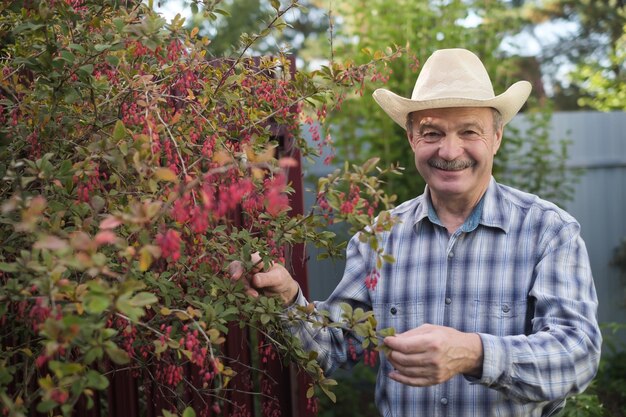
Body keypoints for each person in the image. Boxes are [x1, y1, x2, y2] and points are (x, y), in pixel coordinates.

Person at [230, 48, 602, 416]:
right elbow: (333, 347)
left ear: (496, 137)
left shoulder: (549, 232)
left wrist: (476, 354)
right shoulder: (380, 238)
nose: (450, 149)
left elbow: (578, 355)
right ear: (412, 139)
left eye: (469, 131)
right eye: (432, 132)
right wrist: (287, 298)